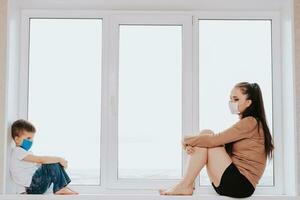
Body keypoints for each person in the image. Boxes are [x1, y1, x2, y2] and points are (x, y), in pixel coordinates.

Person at [159, 82, 274, 198]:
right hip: (234, 182)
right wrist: (193, 143)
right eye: (230, 99)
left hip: (241, 184)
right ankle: (187, 184)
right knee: (206, 134)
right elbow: (216, 142)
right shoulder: (250, 123)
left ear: (248, 102)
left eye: (236, 99)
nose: (231, 103)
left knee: (207, 136)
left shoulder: (250, 122)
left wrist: (186, 140)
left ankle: (185, 184)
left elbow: (214, 140)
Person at [9, 119, 78, 195]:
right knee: (50, 162)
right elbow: (40, 160)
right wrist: (59, 159)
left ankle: (63, 186)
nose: (31, 141)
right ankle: (60, 188)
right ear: (17, 139)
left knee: (52, 163)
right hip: (33, 186)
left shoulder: (25, 153)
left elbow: (40, 166)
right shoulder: (18, 151)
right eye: (28, 138)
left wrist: (59, 167)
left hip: (36, 185)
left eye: (32, 138)